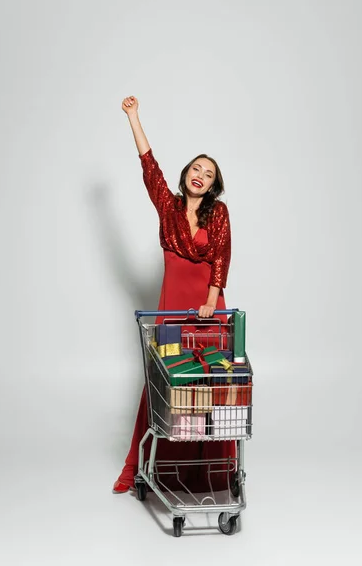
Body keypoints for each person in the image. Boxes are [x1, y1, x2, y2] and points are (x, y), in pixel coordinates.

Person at [113, 95, 236, 494]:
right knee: (163, 383)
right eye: (196, 167)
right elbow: (150, 168)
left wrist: (211, 301)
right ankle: (145, 467)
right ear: (186, 174)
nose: (200, 174)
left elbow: (221, 257)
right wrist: (134, 117)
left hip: (206, 309)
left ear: (214, 185)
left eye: (209, 172)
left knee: (207, 385)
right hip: (170, 311)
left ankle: (210, 473)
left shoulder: (218, 214)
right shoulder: (167, 208)